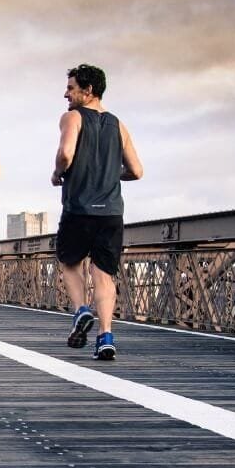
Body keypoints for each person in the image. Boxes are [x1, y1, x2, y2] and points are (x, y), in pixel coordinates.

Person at [52, 63, 143, 360]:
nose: (66, 94)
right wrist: (108, 174)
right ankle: (105, 337)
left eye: (71, 88)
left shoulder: (73, 117)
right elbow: (137, 171)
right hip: (112, 213)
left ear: (87, 91)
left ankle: (80, 311)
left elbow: (66, 154)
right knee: (104, 276)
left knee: (69, 262)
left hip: (79, 208)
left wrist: (58, 173)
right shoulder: (119, 125)